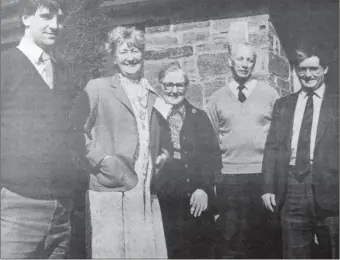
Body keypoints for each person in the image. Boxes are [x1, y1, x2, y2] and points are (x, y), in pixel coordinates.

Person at [73, 26, 173, 258]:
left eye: (135, 50)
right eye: (124, 52)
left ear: (143, 53)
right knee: (111, 250)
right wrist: (103, 160)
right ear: (115, 58)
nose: (131, 57)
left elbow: (161, 137)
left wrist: (163, 156)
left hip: (145, 185)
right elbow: (78, 131)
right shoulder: (97, 87)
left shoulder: (152, 94)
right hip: (110, 182)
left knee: (142, 249)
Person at [0, 0, 77, 258]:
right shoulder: (4, 64)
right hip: (17, 207)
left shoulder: (64, 72)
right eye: (46, 16)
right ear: (25, 18)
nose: (55, 25)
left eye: (59, 19)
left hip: (61, 209)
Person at [262, 43, 339, 259]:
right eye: (302, 69)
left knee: (333, 250)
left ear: (325, 69)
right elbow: (272, 147)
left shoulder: (337, 103)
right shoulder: (283, 105)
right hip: (292, 185)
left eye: (313, 68)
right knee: (294, 252)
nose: (308, 74)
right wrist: (268, 187)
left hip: (331, 188)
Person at [206, 41, 280, 258]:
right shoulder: (217, 97)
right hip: (229, 178)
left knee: (265, 239)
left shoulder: (270, 94)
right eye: (240, 59)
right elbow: (210, 142)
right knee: (232, 239)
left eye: (250, 60)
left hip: (262, 177)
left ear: (254, 64)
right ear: (230, 61)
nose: (245, 64)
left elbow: (279, 138)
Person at [153, 62, 223, 259]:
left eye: (180, 85)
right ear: (161, 85)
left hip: (196, 196)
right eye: (169, 85)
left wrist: (204, 189)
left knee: (200, 249)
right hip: (164, 198)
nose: (174, 91)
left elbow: (213, 157)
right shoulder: (153, 118)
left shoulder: (199, 117)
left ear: (186, 86)